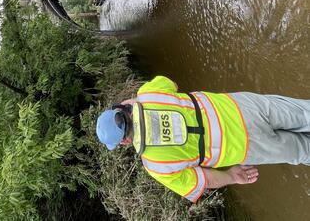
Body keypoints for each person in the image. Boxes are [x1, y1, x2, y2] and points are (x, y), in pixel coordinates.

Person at [96, 76, 310, 203]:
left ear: (123, 142)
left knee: (304, 151)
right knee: (304, 114)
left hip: (245, 147)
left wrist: (232, 177)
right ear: (122, 108)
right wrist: (136, 101)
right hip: (242, 108)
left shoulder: (155, 165)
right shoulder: (149, 93)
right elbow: (172, 83)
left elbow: (205, 181)